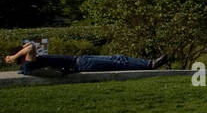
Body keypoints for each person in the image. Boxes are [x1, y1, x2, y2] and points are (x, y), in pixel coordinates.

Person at [5, 41, 166, 75]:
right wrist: (13, 56)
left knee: (119, 58)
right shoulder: (28, 65)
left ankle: (149, 64)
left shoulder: (26, 67)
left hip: (80, 60)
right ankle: (149, 65)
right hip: (80, 64)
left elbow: (30, 46)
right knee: (118, 61)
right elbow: (31, 46)